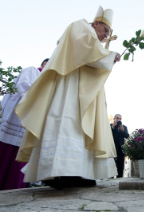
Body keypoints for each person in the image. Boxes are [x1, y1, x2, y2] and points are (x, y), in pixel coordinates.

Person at [15, 6, 121, 190]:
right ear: (96, 23)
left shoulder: (91, 36)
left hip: (83, 89)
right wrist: (109, 56)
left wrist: (108, 58)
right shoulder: (80, 27)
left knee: (80, 128)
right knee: (67, 121)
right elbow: (85, 51)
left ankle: (82, 172)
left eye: (108, 33)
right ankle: (60, 172)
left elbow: (93, 58)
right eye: (105, 30)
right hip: (70, 86)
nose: (105, 36)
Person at [0, 63, 45, 190]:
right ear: (45, 63)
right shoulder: (33, 71)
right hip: (18, 119)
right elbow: (24, 87)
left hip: (29, 121)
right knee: (10, 152)